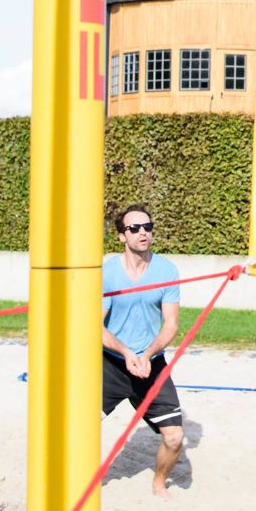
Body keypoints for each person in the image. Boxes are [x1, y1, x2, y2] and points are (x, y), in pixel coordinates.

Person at [101, 204, 186, 496]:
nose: (142, 233)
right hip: (111, 364)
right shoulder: (107, 271)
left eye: (147, 227)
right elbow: (94, 326)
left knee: (174, 437)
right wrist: (126, 352)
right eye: (134, 228)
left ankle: (159, 483)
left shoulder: (166, 270)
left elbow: (171, 324)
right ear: (121, 236)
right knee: (78, 429)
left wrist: (147, 355)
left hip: (151, 364)